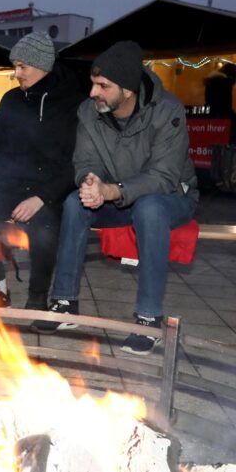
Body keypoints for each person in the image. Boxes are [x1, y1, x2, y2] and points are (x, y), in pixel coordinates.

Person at [30, 41, 199, 356]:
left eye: (103, 86)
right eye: (93, 84)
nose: (93, 92)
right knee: (74, 203)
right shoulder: (89, 112)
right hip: (115, 194)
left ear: (128, 91)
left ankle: (148, 319)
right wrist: (90, 182)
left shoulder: (168, 111)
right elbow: (85, 162)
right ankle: (65, 302)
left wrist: (113, 190)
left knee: (149, 208)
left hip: (170, 197)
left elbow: (163, 177)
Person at [0, 32, 85, 310]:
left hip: (52, 190)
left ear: (43, 64)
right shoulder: (11, 100)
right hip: (14, 184)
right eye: (14, 66)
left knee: (43, 229)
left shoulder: (74, 104)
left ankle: (36, 297)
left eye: (22, 66)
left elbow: (78, 163)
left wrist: (41, 197)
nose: (16, 73)